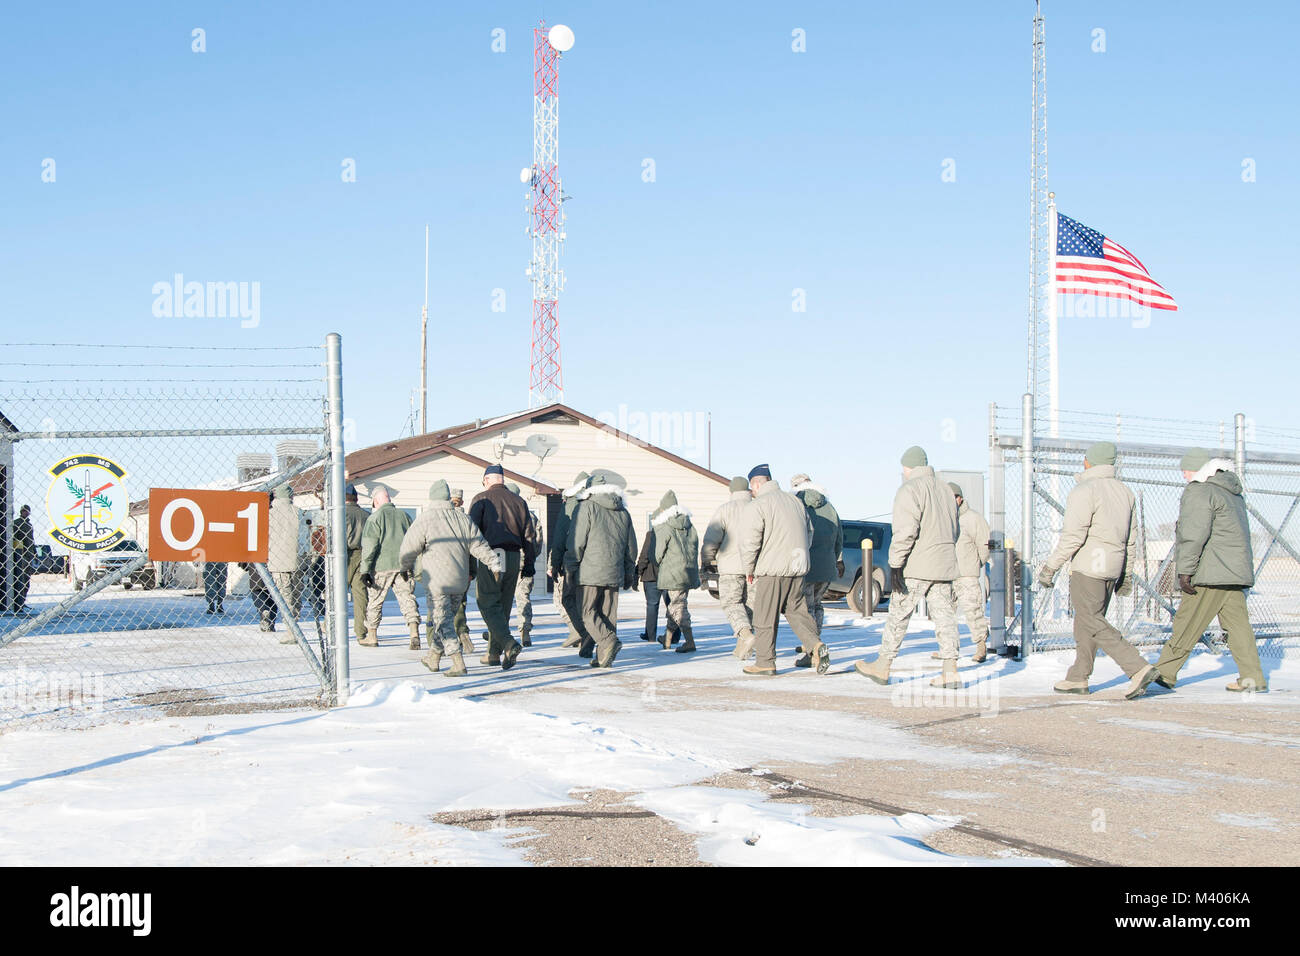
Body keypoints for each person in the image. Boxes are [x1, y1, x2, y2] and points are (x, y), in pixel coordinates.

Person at [1037, 441, 1159, 699]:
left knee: (1091, 619)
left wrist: (1051, 566)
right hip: (1112, 566)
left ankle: (1136, 667)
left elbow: (1073, 536)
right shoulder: (1126, 493)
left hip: (1089, 566)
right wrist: (1125, 572)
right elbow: (1131, 539)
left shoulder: (1085, 490)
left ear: (1088, 462)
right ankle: (1078, 677)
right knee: (1088, 622)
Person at [1153, 450, 1268, 693]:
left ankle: (1163, 673)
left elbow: (1193, 534)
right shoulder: (1232, 493)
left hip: (1209, 572)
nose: (1184, 475)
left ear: (1197, 469)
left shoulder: (1200, 490)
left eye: (1185, 469)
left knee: (1187, 622)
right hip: (1234, 573)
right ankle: (1252, 677)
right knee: (1238, 628)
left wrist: (1185, 570)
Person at [854, 446, 963, 689]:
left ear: (907, 468)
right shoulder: (945, 489)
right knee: (945, 617)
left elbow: (905, 530)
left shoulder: (909, 489)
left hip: (917, 565)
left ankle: (883, 665)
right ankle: (950, 670)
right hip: (944, 564)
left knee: (898, 614)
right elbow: (955, 528)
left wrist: (895, 564)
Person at [400, 479, 502, 677]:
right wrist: (494, 563)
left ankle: (457, 662)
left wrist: (404, 566)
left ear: (432, 497)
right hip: (460, 581)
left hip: (437, 582)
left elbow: (409, 546)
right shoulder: (463, 519)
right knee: (445, 619)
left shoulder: (426, 519)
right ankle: (434, 657)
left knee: (442, 622)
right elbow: (479, 545)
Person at [738, 465, 829, 676]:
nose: (752, 492)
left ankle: (765, 661)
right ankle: (815, 646)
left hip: (772, 569)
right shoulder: (795, 502)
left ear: (757, 484)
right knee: (797, 611)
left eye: (752, 487)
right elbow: (809, 532)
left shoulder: (759, 504)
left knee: (764, 616)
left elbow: (750, 541)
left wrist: (749, 568)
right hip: (797, 568)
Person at [566, 475, 637, 668]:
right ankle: (602, 656)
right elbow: (631, 546)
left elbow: (577, 541)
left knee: (586, 612)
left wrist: (570, 566)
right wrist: (630, 571)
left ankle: (608, 642)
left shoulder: (586, 507)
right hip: (614, 571)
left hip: (590, 571)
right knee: (607, 614)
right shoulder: (623, 511)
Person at [468, 465, 533, 669]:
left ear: (487, 480)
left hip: (491, 555)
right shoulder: (519, 501)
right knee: (503, 605)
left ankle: (508, 643)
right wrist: (529, 564)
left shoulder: (481, 499)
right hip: (513, 556)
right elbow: (529, 536)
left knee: (487, 601)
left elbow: (471, 534)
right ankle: (493, 654)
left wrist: (470, 564)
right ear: (502, 479)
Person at [359, 486, 421, 650]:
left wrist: (365, 569)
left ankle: (372, 635)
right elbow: (414, 540)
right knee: (407, 598)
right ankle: (414, 632)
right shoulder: (404, 516)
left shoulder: (375, 518)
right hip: (403, 566)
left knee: (375, 601)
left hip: (381, 566)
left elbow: (370, 546)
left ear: (376, 500)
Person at [791, 474, 844, 667]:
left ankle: (812, 649)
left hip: (805, 565)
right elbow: (839, 537)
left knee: (806, 609)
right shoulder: (829, 507)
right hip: (827, 565)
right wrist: (836, 560)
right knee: (818, 605)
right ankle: (814, 642)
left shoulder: (797, 504)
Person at [701, 477, 755, 658]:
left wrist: (707, 561)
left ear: (732, 491)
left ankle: (746, 636)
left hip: (731, 566)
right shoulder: (758, 507)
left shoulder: (725, 510)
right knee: (750, 606)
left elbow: (711, 539)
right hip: (755, 567)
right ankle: (742, 647)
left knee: (731, 603)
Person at [945, 482, 991, 663]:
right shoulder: (943, 518)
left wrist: (976, 563)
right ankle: (948, 650)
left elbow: (985, 545)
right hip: (947, 573)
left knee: (973, 610)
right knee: (945, 613)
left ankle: (981, 646)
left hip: (967, 573)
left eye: (953, 498)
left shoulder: (973, 519)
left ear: (960, 499)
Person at [652, 491, 700, 653]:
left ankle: (690, 641)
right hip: (688, 572)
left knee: (678, 607)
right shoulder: (689, 525)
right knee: (676, 604)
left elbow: (657, 554)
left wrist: (656, 562)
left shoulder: (664, 527)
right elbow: (695, 546)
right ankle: (667, 638)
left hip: (673, 573)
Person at [549, 472, 591, 649]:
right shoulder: (598, 504)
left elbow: (559, 537)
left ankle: (581, 633)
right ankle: (586, 637)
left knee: (565, 598)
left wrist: (555, 563)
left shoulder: (571, 505)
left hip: (572, 560)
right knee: (588, 603)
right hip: (594, 562)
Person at [635, 501, 678, 645]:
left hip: (651, 576)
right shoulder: (673, 533)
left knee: (652, 606)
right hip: (669, 576)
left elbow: (644, 555)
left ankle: (651, 635)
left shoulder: (651, 534)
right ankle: (675, 635)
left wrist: (638, 571)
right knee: (672, 606)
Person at [506, 481, 541, 647]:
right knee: (523, 598)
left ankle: (500, 631)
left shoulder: (504, 513)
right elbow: (538, 542)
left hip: (507, 562)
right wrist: (531, 558)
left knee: (502, 598)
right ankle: (525, 632)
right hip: (526, 563)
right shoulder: (531, 516)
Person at [267, 484, 303, 643]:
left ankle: (291, 631)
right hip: (298, 560)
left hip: (277, 561)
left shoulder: (269, 515)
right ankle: (294, 625)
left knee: (285, 597)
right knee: (296, 596)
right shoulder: (299, 513)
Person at [344, 484, 371, 644]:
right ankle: (361, 631)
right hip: (362, 554)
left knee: (338, 592)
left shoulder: (340, 514)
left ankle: (330, 625)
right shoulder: (366, 515)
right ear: (356, 498)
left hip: (344, 555)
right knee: (360, 594)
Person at [449, 489, 474, 655]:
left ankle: (460, 634)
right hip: (465, 569)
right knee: (461, 604)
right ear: (462, 502)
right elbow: (473, 547)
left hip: (446, 568)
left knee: (445, 606)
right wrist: (473, 570)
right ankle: (462, 634)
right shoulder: (468, 520)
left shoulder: (444, 519)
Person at [11, 505, 34, 612]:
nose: (25, 513)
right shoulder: (16, 524)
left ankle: (22, 601)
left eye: (26, 511)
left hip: (28, 555)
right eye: (23, 511)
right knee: (21, 579)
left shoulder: (29, 525)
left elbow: (31, 541)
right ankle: (18, 602)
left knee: (26, 580)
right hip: (21, 555)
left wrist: (34, 553)